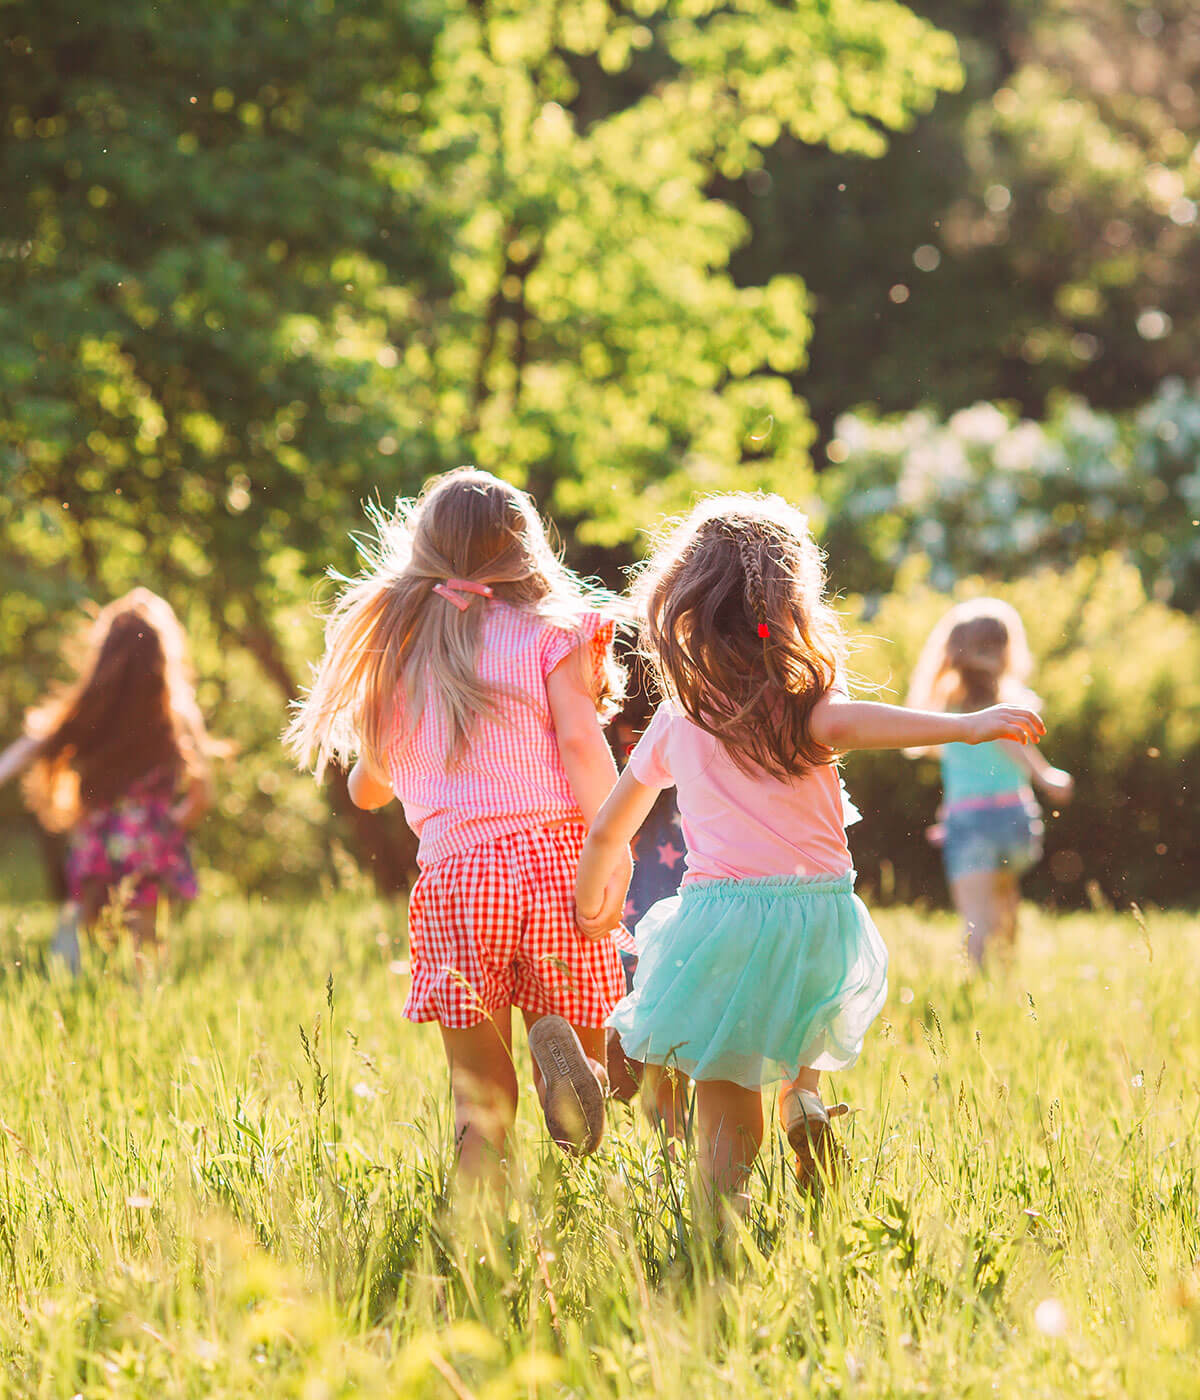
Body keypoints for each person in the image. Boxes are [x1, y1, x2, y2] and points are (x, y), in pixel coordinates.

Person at [573, 494, 1047, 1205]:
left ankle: (716, 1211)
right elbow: (864, 723)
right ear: (789, 599)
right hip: (820, 915)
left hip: (722, 919)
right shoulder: (802, 703)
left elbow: (612, 827)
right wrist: (967, 726)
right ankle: (806, 1104)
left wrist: (590, 904)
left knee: (727, 1083)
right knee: (805, 1031)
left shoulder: (681, 716)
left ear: (690, 604)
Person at [284, 468, 634, 1189]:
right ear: (525, 549)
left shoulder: (402, 651)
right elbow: (578, 743)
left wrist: (382, 770)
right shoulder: (550, 633)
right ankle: (571, 1085)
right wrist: (614, 844)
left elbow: (370, 784)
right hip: (554, 864)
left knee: (478, 1095)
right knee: (577, 1031)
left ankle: (477, 1211)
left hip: (458, 883)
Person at [0, 589, 217, 958]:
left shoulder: (90, 710)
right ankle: (135, 1009)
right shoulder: (176, 717)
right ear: (164, 655)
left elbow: (29, 747)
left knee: (80, 942)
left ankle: (69, 997)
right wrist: (164, 827)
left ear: (105, 655)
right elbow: (203, 796)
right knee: (143, 952)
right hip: (149, 849)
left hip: (95, 846)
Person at [906, 599, 1073, 967]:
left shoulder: (949, 708)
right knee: (1006, 901)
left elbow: (1000, 746)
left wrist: (1042, 774)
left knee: (976, 917)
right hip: (1015, 818)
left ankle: (976, 993)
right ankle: (1008, 981)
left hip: (970, 822)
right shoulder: (1008, 703)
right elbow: (1013, 746)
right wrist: (1046, 778)